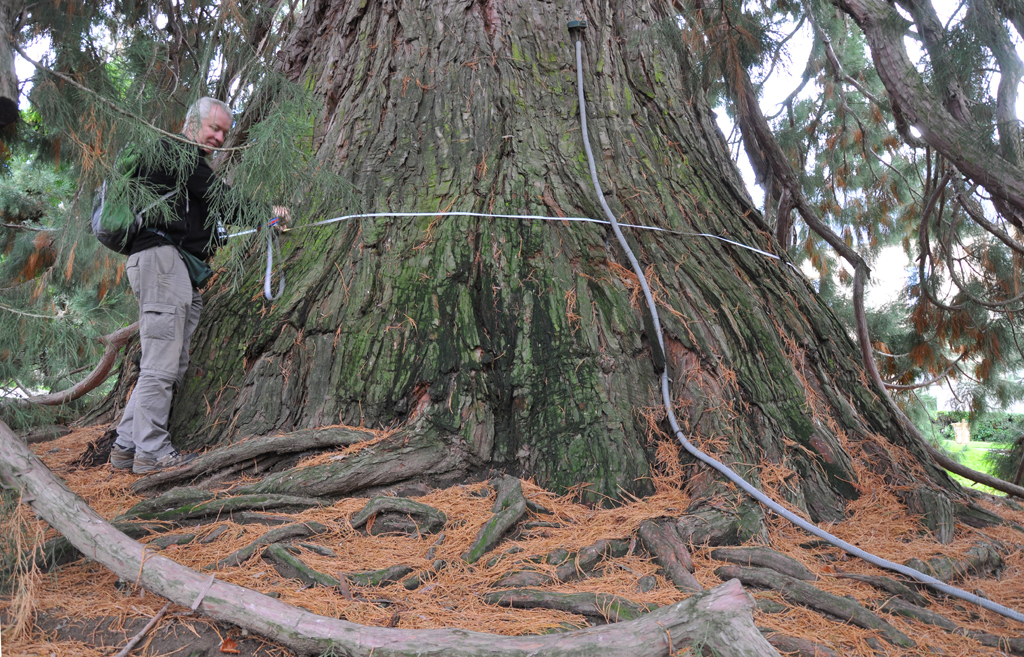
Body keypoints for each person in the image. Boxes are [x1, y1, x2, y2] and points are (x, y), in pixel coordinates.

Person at [109, 97, 288, 474]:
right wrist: (268, 214)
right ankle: (152, 453)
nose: (221, 137)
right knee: (161, 360)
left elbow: (202, 217)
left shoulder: (184, 166)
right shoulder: (176, 151)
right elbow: (221, 197)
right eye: (215, 128)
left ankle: (127, 445)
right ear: (192, 122)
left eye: (225, 131)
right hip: (160, 262)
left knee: (170, 359)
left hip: (172, 266)